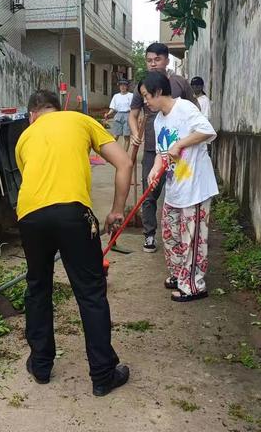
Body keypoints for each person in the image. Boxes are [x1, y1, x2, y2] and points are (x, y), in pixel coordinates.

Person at [16, 90, 133, 397]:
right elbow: (124, 164)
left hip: (29, 217)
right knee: (91, 294)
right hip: (72, 214)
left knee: (38, 288)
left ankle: (40, 365)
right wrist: (117, 210)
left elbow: (34, 181)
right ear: (57, 109)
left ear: (33, 115)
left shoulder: (25, 138)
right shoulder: (80, 120)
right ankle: (102, 374)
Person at [142, 72, 218, 302]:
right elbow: (160, 153)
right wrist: (155, 170)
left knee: (192, 239)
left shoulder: (184, 109)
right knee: (171, 234)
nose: (145, 101)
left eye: (146, 96)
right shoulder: (158, 120)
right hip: (175, 187)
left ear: (157, 92)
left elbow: (207, 131)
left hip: (194, 188)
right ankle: (179, 275)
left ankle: (194, 285)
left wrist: (181, 143)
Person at [129, 42, 199, 254]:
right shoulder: (141, 86)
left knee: (177, 191)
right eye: (149, 60)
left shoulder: (179, 83)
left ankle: (181, 236)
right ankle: (150, 234)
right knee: (150, 191)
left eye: (157, 60)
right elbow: (133, 114)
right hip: (154, 148)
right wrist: (134, 133)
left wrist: (184, 141)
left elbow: (195, 114)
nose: (152, 64)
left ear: (167, 60)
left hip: (179, 150)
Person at [104, 79, 133, 151]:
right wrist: (108, 114)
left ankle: (124, 154)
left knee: (126, 136)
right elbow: (113, 108)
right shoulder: (116, 96)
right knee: (115, 136)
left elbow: (133, 108)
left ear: (127, 86)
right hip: (118, 115)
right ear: (119, 87)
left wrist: (135, 118)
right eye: (121, 85)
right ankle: (112, 152)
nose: (122, 87)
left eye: (124, 85)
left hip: (128, 115)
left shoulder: (131, 95)